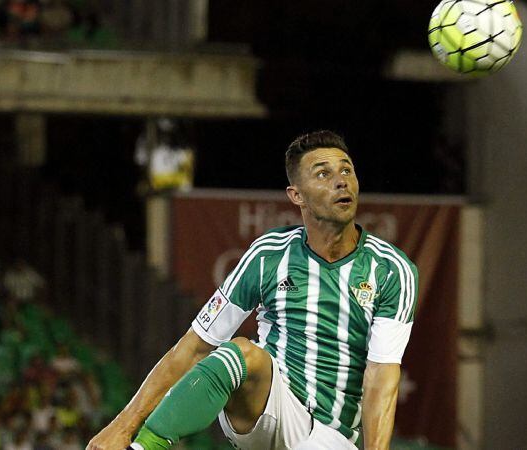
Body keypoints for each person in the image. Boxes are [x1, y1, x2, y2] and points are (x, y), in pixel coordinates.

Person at [87, 130, 419, 450]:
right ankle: (144, 447)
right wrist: (122, 427)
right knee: (239, 353)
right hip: (271, 406)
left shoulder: (392, 270)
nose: (341, 180)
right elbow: (194, 347)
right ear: (296, 195)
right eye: (323, 174)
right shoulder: (268, 255)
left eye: (347, 170)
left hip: (331, 437)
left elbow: (381, 376)